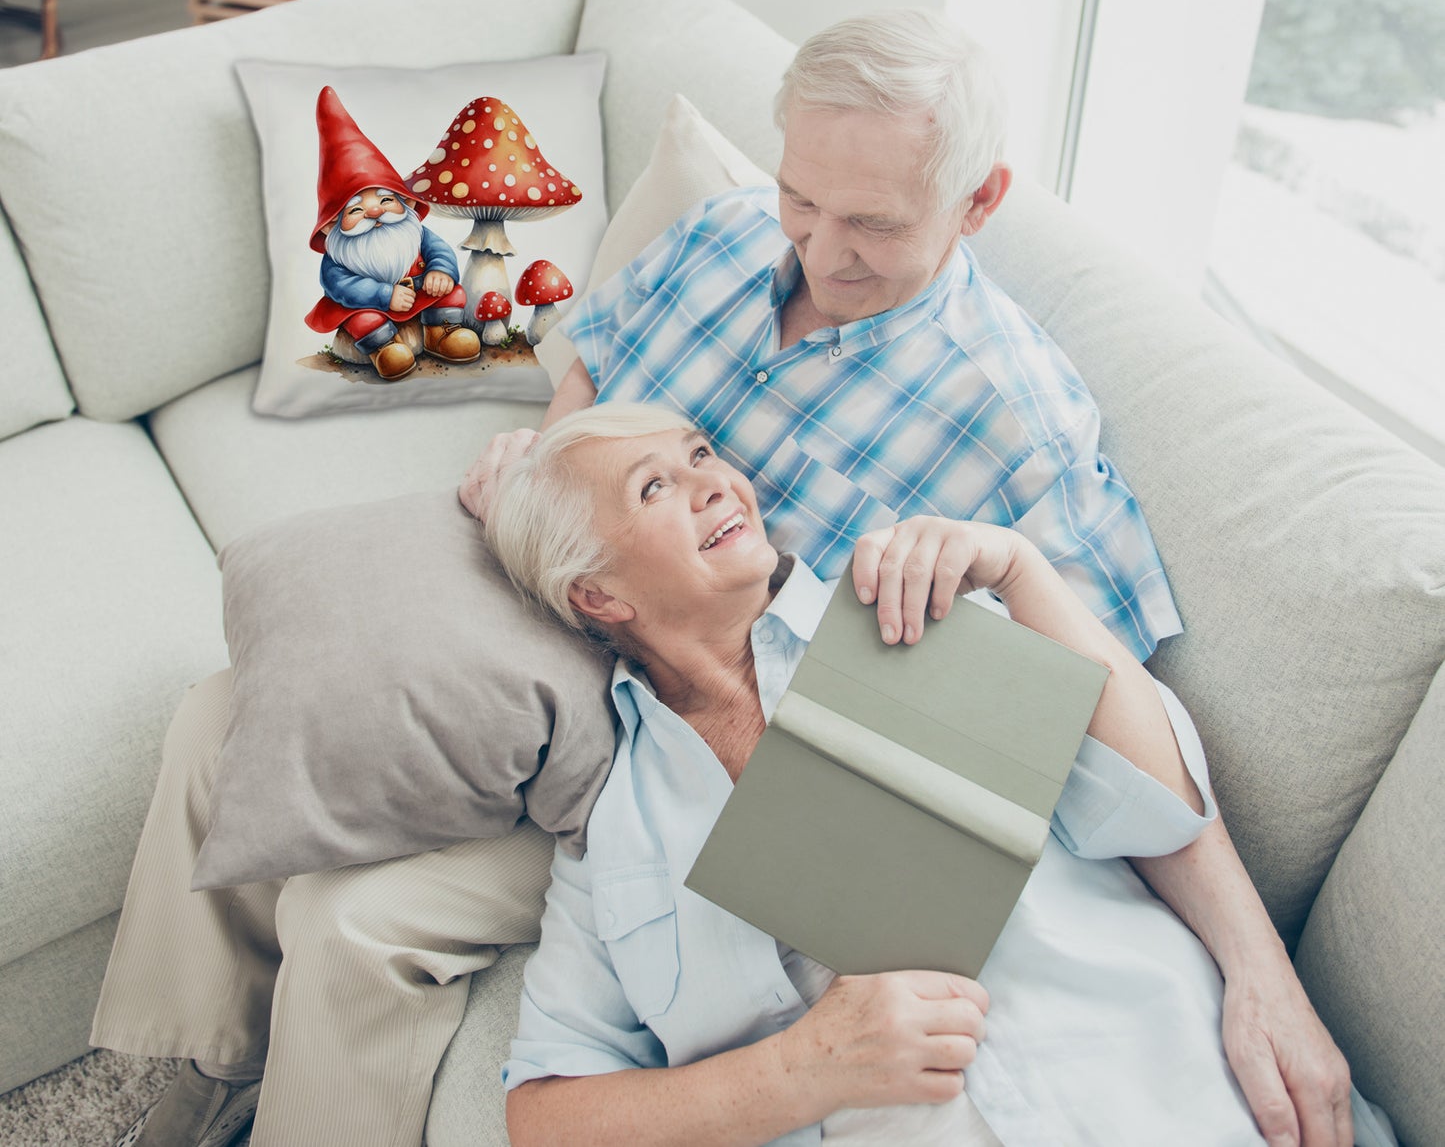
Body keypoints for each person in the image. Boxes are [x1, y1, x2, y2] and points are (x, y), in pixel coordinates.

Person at [94, 11, 1348, 1147]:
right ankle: (192, 1065)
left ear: (976, 203)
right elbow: (595, 368)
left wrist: (1260, 968)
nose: (819, 247)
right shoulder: (727, 234)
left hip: (693, 714)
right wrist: (546, 467)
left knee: (355, 920)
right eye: (804, 197)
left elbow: (1103, 722)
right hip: (581, 588)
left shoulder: (1016, 426)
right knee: (229, 709)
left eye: (871, 222)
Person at [486, 403, 1383, 1147]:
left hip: (1174, 1093)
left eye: (700, 454)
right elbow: (545, 1114)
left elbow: (1158, 808)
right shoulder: (614, 834)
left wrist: (1021, 571)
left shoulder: (909, 609)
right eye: (655, 486)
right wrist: (803, 1069)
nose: (715, 481)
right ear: (597, 595)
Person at [305, 85, 481, 379]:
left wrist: (441, 271)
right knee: (363, 320)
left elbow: (439, 250)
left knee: (453, 292)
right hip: (372, 304)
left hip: (421, 293)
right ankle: (383, 348)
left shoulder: (414, 234)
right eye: (356, 209)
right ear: (331, 225)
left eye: (386, 200)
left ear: (407, 203)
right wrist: (385, 295)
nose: (375, 212)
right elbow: (343, 288)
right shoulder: (339, 257)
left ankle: (442, 332)